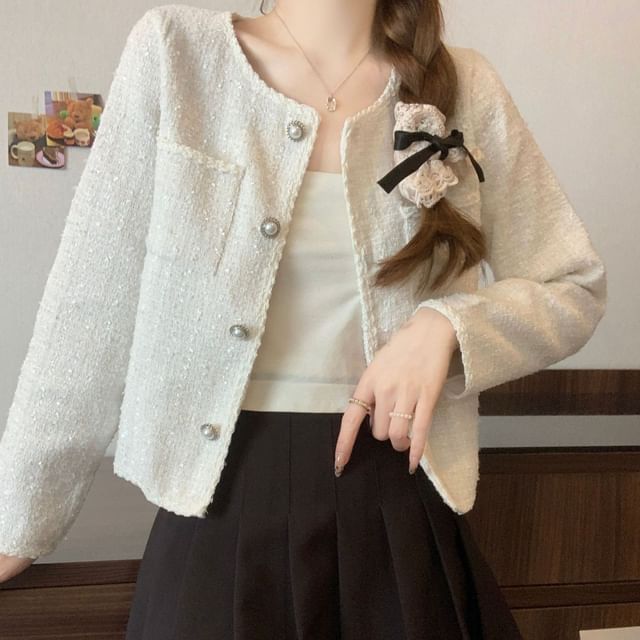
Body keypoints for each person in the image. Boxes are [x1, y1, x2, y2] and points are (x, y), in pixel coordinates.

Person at [0, 1, 606, 638]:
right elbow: (89, 307)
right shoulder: (175, 54)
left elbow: (573, 285)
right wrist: (19, 519)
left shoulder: (465, 83)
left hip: (401, 508)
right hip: (217, 509)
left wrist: (447, 329)